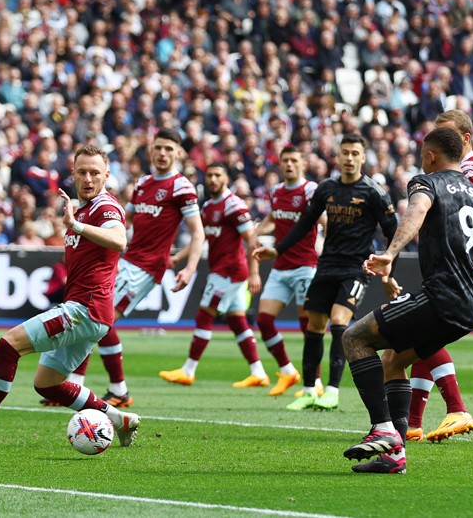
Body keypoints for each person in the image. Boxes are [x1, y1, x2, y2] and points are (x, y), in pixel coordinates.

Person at [344, 127, 473, 474]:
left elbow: (416, 212)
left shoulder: (428, 183)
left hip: (440, 296)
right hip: (470, 307)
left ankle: (383, 428)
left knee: (354, 337)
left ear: (430, 156)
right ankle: (395, 456)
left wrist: (391, 252)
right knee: (393, 360)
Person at [0, 145, 140, 446]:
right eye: (82, 172)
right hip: (93, 312)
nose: (88, 178)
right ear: (73, 173)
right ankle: (119, 419)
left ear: (107, 175)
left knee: (8, 345)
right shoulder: (82, 208)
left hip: (85, 309)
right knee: (48, 384)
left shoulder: (105, 207)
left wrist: (75, 226)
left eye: (95, 172)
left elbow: (119, 239)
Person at [253, 132, 400, 411]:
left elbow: (395, 233)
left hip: (355, 269)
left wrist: (388, 272)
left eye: (355, 153)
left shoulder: (374, 193)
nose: (349, 158)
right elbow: (304, 224)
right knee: (313, 327)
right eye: (345, 153)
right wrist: (277, 249)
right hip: (326, 266)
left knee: (338, 321)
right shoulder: (327, 189)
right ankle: (310, 390)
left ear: (362, 157)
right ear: (338, 155)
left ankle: (332, 390)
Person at [65, 128, 204, 408]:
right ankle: (94, 385)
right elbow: (124, 220)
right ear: (151, 151)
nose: (162, 153)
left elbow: (198, 232)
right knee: (98, 318)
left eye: (168, 148)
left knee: (100, 319)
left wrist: (189, 267)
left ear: (178, 153)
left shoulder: (181, 187)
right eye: (158, 148)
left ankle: (96, 386)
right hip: (127, 260)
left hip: (146, 267)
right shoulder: (142, 185)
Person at [401, 110, 473, 443]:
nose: (439, 143)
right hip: (472, 270)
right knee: (425, 341)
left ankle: (457, 408)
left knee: (421, 334)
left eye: (447, 135)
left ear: (465, 139)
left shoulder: (468, 172)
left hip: (472, 273)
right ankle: (412, 423)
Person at [159, 163, 268, 386]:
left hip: (229, 271)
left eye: (218, 175)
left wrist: (255, 272)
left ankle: (188, 370)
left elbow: (251, 239)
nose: (213, 179)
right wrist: (178, 258)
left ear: (226, 179)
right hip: (223, 270)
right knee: (237, 320)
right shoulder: (208, 207)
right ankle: (258, 373)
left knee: (204, 316)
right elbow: (200, 237)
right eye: (209, 175)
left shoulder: (234, 206)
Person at [252, 145, 326, 397]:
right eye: (285, 161)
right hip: (281, 265)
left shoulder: (310, 190)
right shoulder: (276, 191)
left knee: (309, 326)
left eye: (294, 160)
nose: (290, 165)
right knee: (263, 320)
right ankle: (286, 370)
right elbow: (274, 217)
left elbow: (325, 221)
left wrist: (325, 246)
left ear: (303, 164)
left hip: (306, 265)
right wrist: (257, 230)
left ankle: (314, 381)